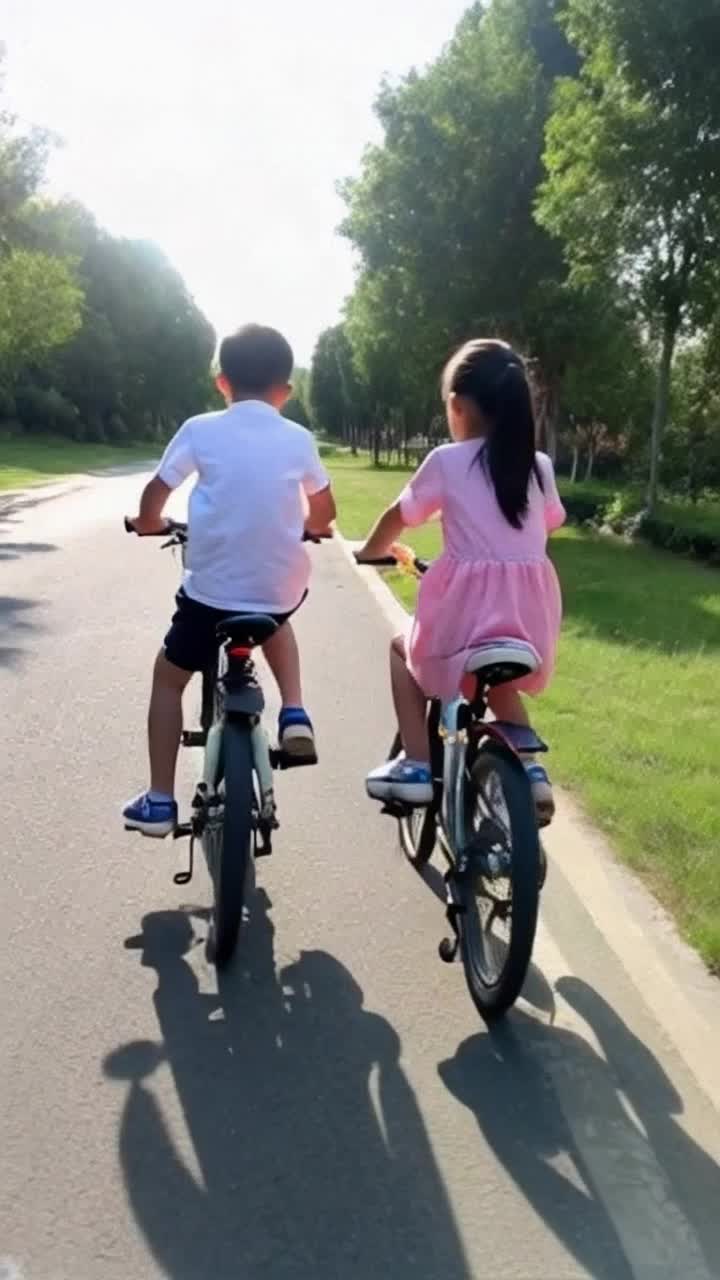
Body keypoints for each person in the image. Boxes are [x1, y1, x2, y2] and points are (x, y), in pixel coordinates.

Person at [123, 323, 336, 837]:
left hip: (208, 598)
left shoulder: (201, 428)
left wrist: (149, 523)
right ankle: (295, 712)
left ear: (223, 383)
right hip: (277, 592)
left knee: (168, 680)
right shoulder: (298, 437)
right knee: (278, 620)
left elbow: (157, 494)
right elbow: (325, 508)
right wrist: (312, 528)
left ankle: (158, 799)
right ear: (285, 391)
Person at [355, 338, 565, 825]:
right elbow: (550, 520)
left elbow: (399, 514)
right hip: (528, 620)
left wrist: (371, 551)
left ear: (458, 406)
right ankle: (531, 773)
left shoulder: (448, 461)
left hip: (464, 613)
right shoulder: (540, 467)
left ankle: (415, 763)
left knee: (400, 651)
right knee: (500, 683)